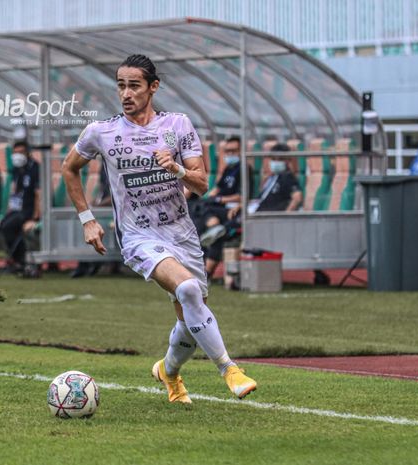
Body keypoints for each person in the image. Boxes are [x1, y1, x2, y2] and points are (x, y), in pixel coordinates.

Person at [62, 54, 256, 404]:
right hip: (139, 236)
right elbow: (68, 168)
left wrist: (177, 169)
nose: (126, 93)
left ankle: (169, 372)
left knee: (190, 318)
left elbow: (201, 185)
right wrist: (87, 219)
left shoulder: (178, 125)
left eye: (134, 85)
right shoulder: (101, 132)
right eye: (121, 85)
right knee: (189, 290)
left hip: (182, 234)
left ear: (153, 87)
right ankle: (230, 370)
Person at [196, 135, 251, 277]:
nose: (230, 154)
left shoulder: (244, 169)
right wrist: (209, 196)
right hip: (220, 208)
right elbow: (217, 189)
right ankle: (214, 228)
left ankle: (205, 273)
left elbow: (242, 196)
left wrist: (219, 199)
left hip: (232, 209)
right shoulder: (228, 169)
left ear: (241, 151)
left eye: (234, 151)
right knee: (200, 207)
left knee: (215, 232)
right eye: (227, 151)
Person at [0, 141, 40, 272]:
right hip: (18, 209)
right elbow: (15, 193)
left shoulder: (35, 168)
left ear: (28, 153)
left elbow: (39, 194)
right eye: (15, 153)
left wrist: (35, 218)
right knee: (3, 224)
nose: (17, 156)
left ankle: (20, 261)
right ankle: (16, 260)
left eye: (21, 152)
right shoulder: (17, 170)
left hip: (30, 210)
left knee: (9, 226)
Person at [251, 143, 302, 213]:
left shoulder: (287, 177)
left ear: (288, 161)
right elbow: (259, 199)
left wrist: (285, 217)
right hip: (255, 211)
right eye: (273, 159)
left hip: (268, 218)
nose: (276, 162)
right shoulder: (273, 177)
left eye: (280, 159)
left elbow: (297, 198)